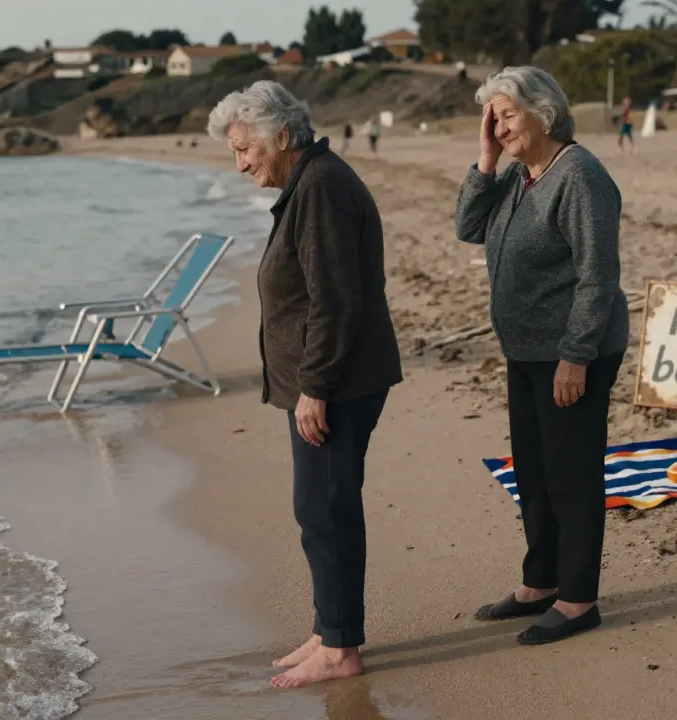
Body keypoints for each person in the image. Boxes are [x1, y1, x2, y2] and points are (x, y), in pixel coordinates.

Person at [207, 80, 403, 687]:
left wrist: (314, 387)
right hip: (329, 379)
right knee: (317, 506)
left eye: (246, 150)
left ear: (284, 137)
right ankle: (328, 629)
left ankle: (341, 648)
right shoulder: (310, 182)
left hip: (336, 382)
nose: (241, 165)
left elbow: (334, 300)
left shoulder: (319, 188)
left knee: (327, 508)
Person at [454, 66, 629, 645]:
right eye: (493, 118)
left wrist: (575, 356)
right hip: (526, 350)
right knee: (533, 470)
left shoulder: (578, 175)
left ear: (544, 112)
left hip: (572, 352)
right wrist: (485, 160)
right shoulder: (518, 175)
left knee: (571, 475)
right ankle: (541, 581)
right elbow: (468, 227)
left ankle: (578, 599)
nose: (501, 127)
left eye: (508, 115)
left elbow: (598, 276)